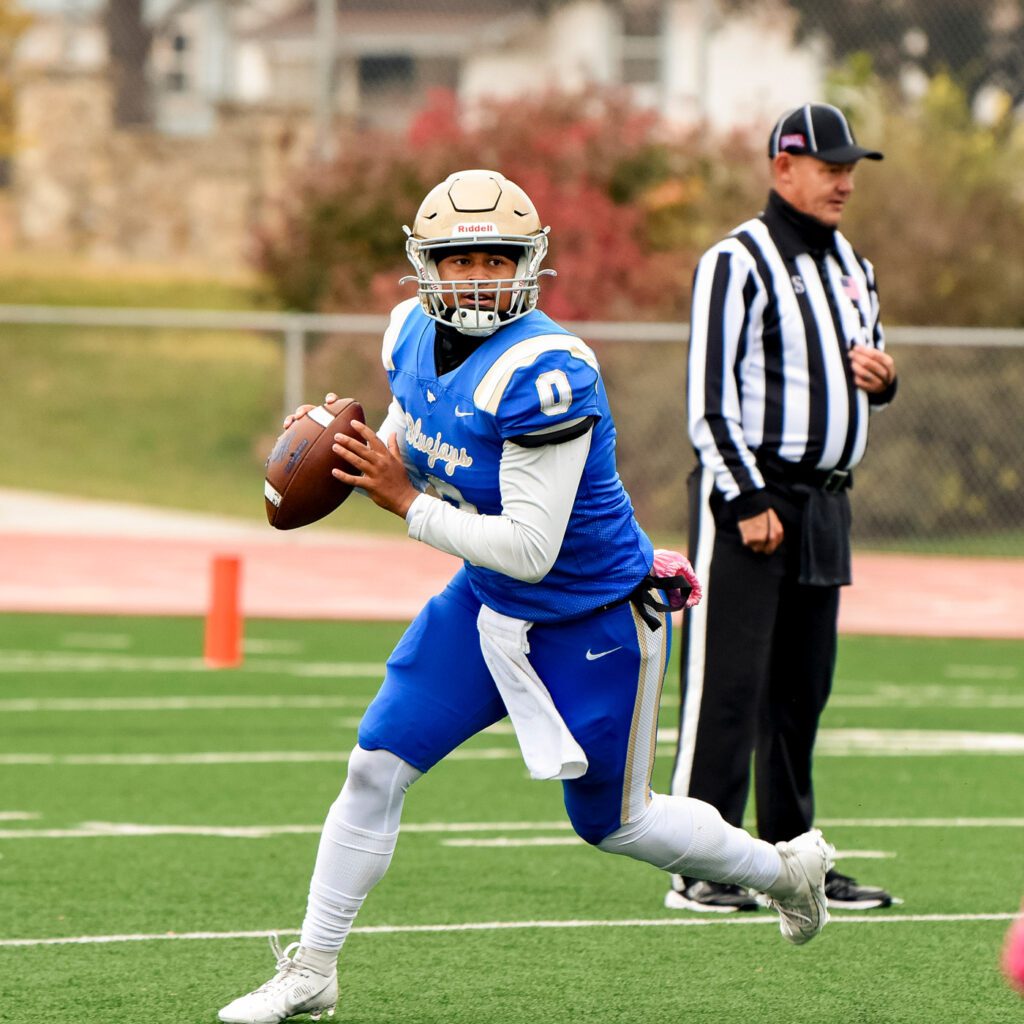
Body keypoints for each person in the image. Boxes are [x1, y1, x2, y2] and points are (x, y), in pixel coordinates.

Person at [219, 169, 836, 1024]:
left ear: (528, 264)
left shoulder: (548, 371)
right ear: (424, 265)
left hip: (591, 618)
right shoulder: (408, 330)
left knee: (616, 825)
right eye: (458, 259)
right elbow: (416, 430)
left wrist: (406, 501)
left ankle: (784, 873)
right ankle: (314, 967)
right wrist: (356, 449)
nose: (477, 277)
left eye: (495, 258)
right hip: (484, 606)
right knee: (374, 765)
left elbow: (532, 548)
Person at [666, 105, 898, 914]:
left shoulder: (852, 267)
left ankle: (793, 857)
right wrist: (745, 494)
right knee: (726, 683)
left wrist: (883, 380)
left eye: (850, 167)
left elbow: (850, 371)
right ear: (782, 168)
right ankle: (699, 859)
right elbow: (707, 397)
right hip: (753, 494)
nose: (844, 180)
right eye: (829, 165)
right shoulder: (737, 260)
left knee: (802, 689)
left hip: (826, 500)